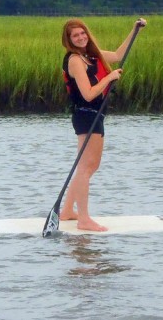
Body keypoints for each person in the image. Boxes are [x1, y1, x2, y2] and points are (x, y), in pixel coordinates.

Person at [59, 18, 146, 231]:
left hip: (95, 116)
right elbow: (88, 94)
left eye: (82, 33)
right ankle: (84, 219)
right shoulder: (75, 61)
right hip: (86, 115)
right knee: (87, 168)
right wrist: (110, 78)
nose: (80, 37)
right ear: (69, 40)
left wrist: (135, 30)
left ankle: (69, 211)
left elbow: (117, 56)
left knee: (88, 166)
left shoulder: (91, 54)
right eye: (75, 36)